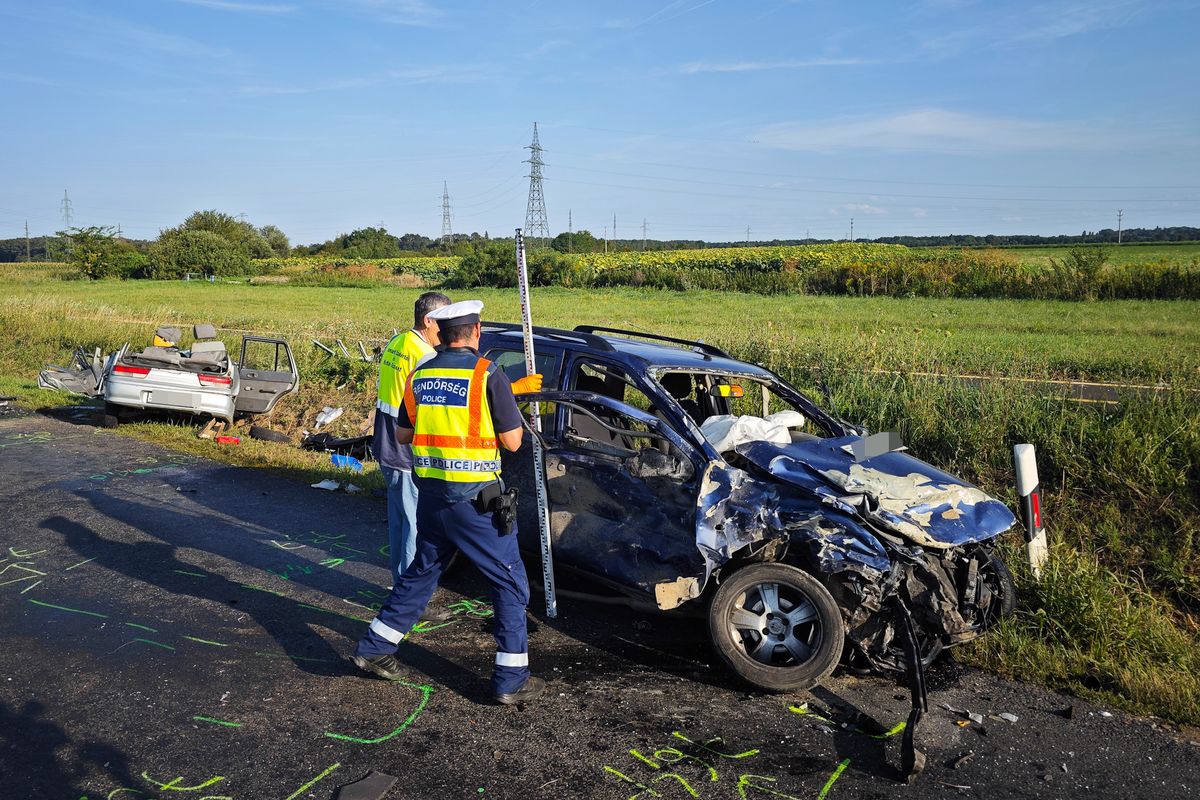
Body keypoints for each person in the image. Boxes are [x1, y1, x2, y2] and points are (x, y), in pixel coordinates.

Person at [351, 300, 546, 705]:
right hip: (476, 501)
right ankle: (512, 679)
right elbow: (512, 442)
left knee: (422, 572)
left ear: (441, 333)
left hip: (433, 496)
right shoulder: (487, 374)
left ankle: (375, 648)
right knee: (509, 582)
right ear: (477, 332)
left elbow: (404, 436)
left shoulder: (420, 373)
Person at [374, 291, 450, 584]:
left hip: (385, 442)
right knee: (415, 525)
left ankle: (399, 583)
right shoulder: (426, 356)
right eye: (443, 321)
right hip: (406, 447)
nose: (446, 328)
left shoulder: (399, 341)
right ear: (429, 320)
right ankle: (407, 594)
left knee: (399, 521)